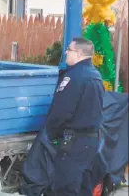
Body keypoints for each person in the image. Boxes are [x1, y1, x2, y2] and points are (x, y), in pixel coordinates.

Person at [45, 37, 104, 196]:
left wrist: (52, 134)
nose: (66, 52)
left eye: (69, 49)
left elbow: (61, 111)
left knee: (66, 186)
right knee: (84, 186)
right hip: (91, 141)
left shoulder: (73, 77)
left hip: (74, 142)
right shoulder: (96, 76)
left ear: (78, 53)